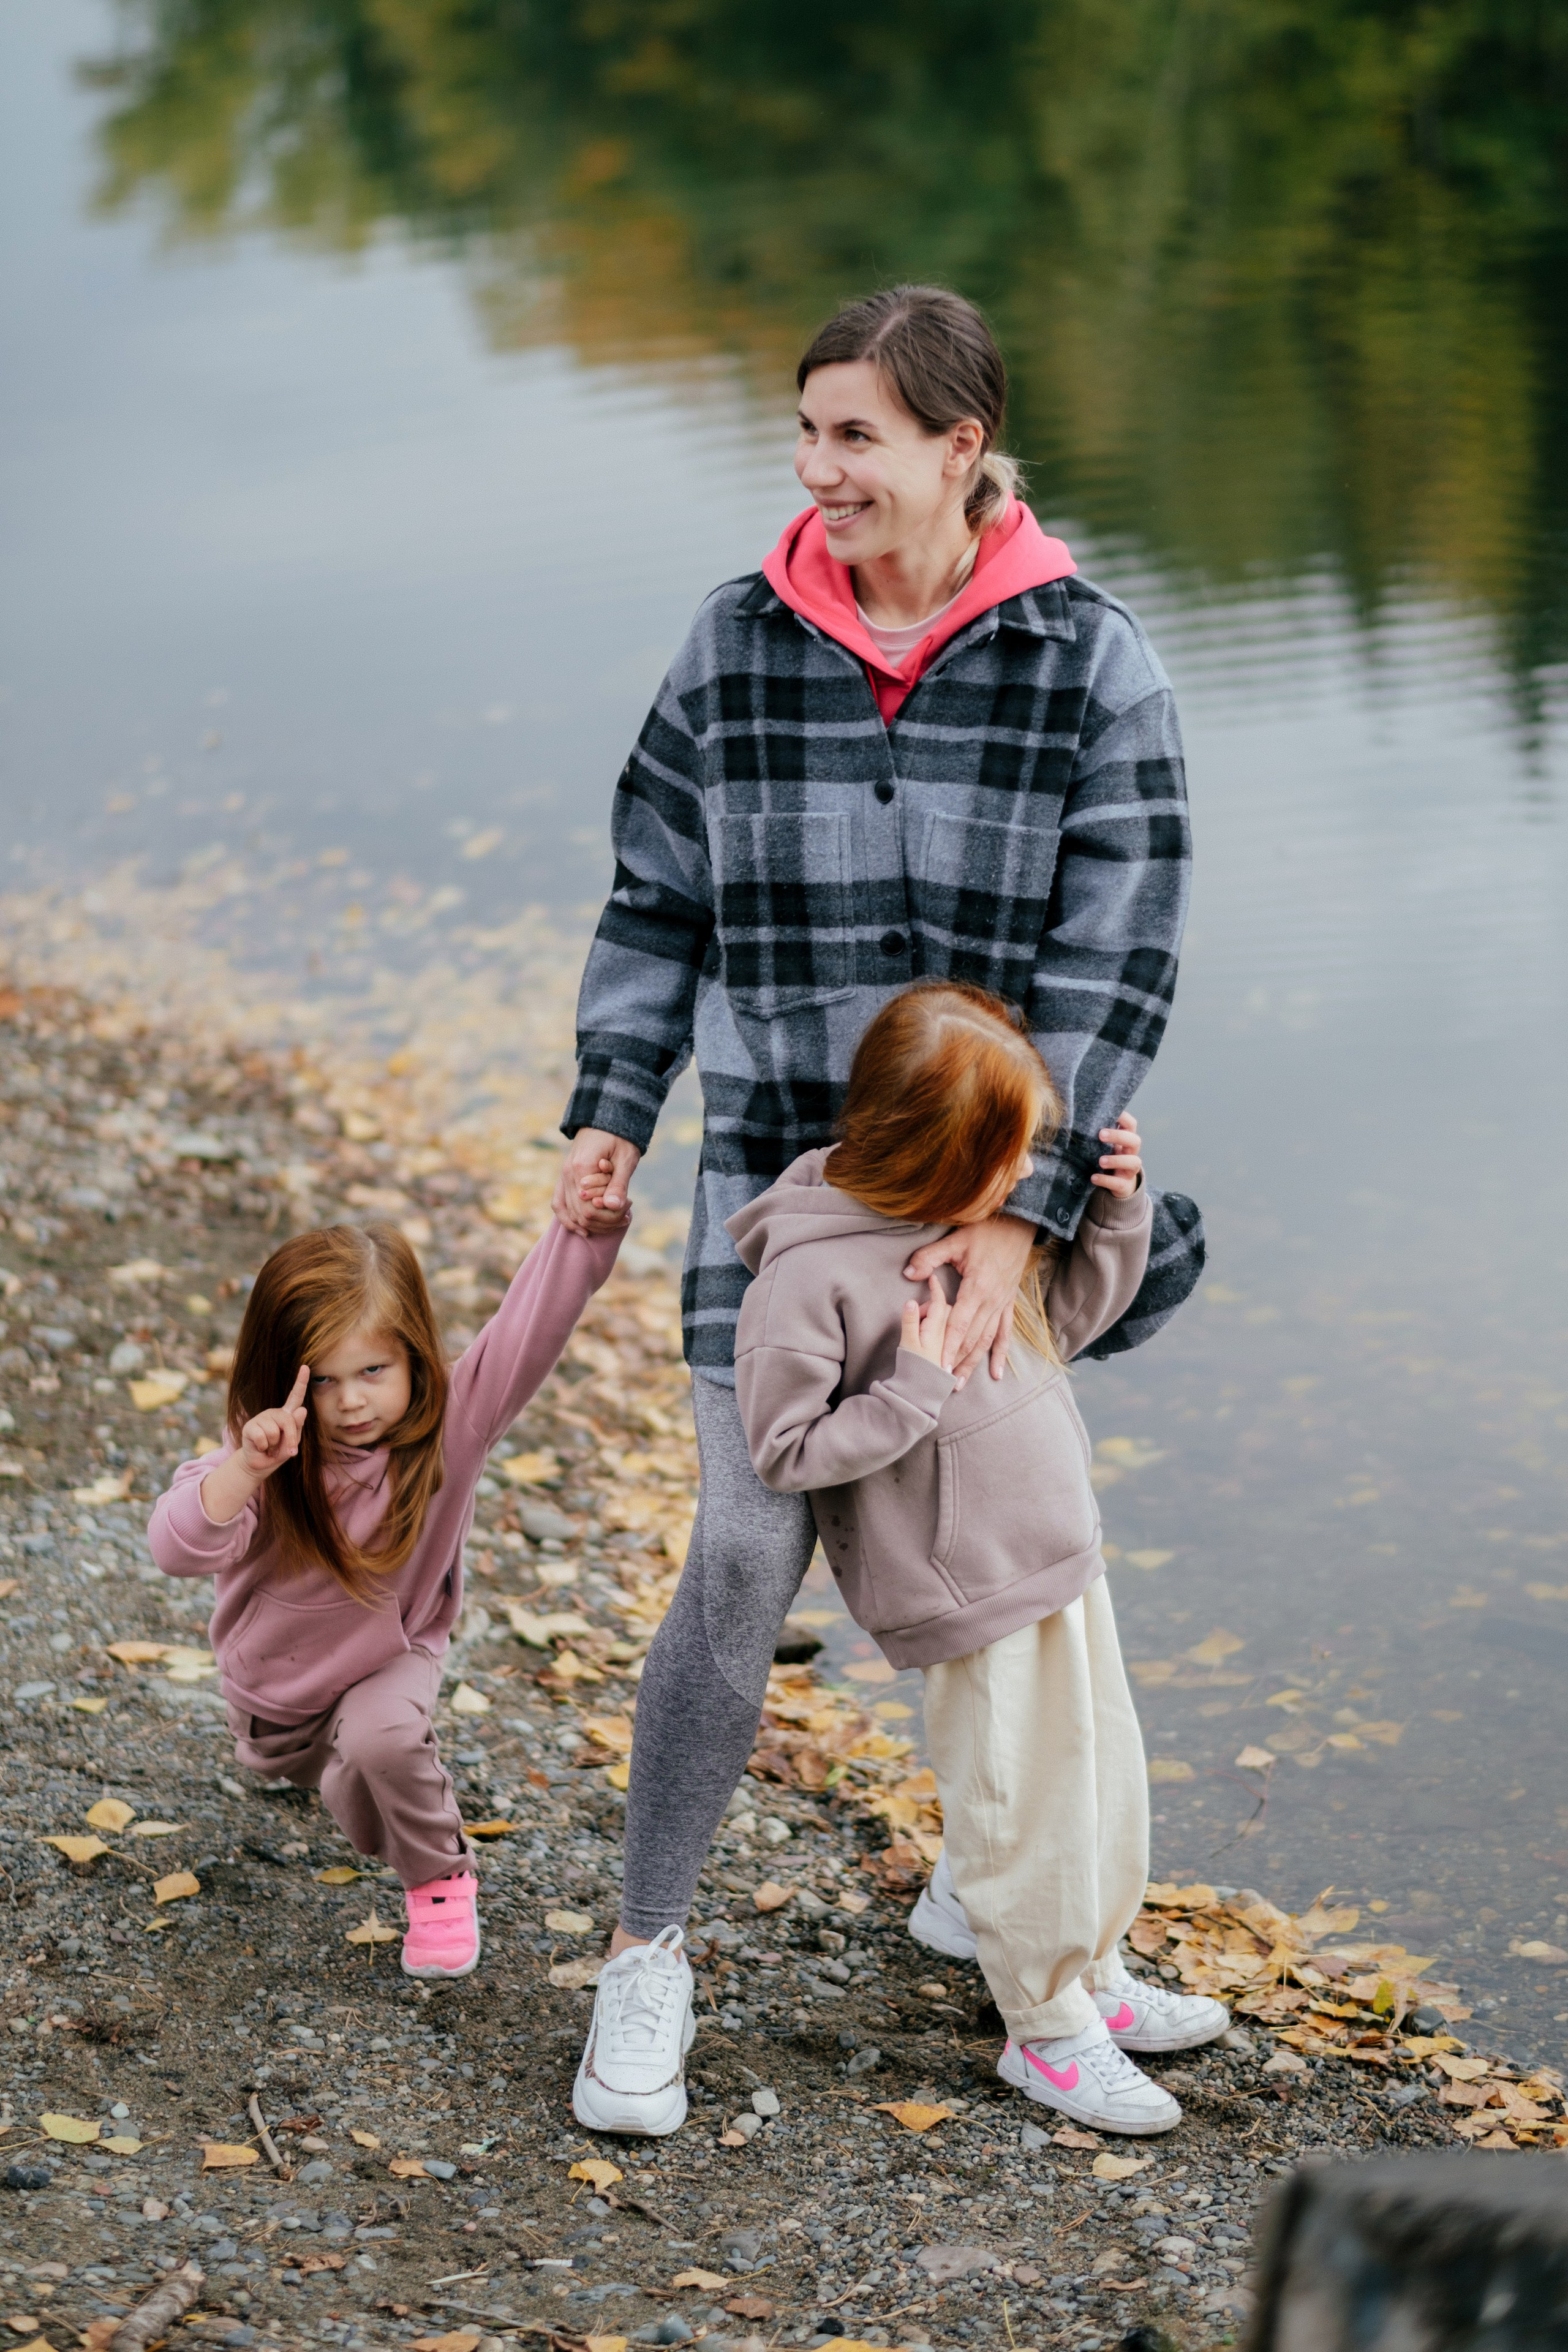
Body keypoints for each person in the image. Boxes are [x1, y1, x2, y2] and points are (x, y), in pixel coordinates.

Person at [556, 284, 1197, 2136]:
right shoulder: (736, 646)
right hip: (778, 1190)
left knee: (1004, 1560)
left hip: (988, 1189)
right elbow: (653, 892)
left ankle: (1012, 1916)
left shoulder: (1091, 662)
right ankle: (643, 1955)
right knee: (749, 1558)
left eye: (854, 433)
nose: (815, 464)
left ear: (957, 447)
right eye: (806, 427)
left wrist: (1029, 1209)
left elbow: (1115, 962)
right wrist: (611, 1104)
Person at [726, 982, 1226, 2134]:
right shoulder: (811, 1276)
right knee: (1019, 1807)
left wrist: (1115, 1211)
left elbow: (1073, 1326)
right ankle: (1044, 2035)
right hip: (965, 1590)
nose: (1021, 1187)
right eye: (1009, 1162)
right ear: (933, 1158)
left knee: (1100, 1784)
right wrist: (915, 1385)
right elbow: (786, 1448)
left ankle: (1093, 1978)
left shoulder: (967, 1236)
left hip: (1062, 1554)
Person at [147, 1214, 624, 1979]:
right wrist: (245, 1470)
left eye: (374, 1371)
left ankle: (438, 1878)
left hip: (391, 1658)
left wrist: (588, 1223)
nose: (351, 1403)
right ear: (282, 1375)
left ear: (414, 1357)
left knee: (380, 1740)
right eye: (324, 1379)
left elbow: (533, 1320)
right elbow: (173, 1548)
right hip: (274, 1707)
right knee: (330, 1770)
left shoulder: (453, 1428)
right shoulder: (269, 1461)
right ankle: (342, 1770)